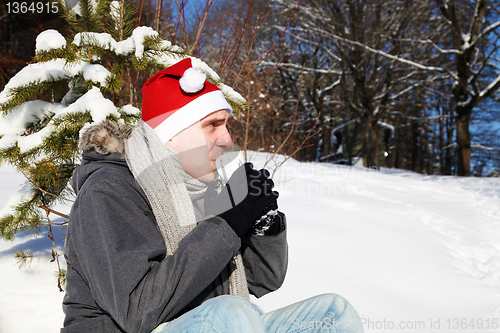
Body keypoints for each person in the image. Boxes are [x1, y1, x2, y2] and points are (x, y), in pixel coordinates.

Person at [61, 58, 364, 333]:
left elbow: (260, 280)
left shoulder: (201, 186)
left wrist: (261, 221)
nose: (227, 139)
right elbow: (138, 310)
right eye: (212, 126)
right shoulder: (110, 190)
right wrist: (229, 222)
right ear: (170, 134)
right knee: (228, 314)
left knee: (333, 314)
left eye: (226, 125)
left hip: (207, 324)